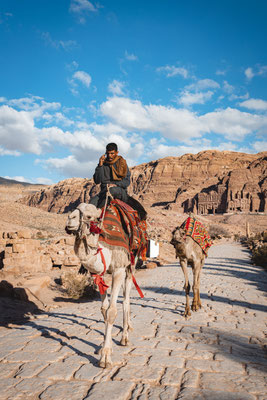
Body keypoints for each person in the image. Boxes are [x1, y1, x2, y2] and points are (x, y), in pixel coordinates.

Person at [89, 142, 131, 208]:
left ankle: (100, 209)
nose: (109, 155)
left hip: (120, 191)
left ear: (117, 153)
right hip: (104, 192)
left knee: (112, 190)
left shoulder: (122, 163)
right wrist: (100, 166)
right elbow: (97, 181)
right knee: (91, 204)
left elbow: (127, 181)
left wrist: (116, 185)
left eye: (112, 153)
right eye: (108, 153)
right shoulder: (103, 164)